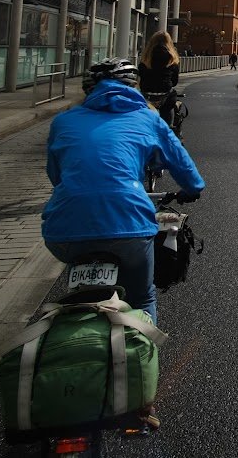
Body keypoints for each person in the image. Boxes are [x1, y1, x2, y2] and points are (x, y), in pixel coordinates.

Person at [42, 58, 205, 326]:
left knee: (78, 273)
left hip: (65, 231)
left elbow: (56, 175)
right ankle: (140, 360)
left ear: (88, 89)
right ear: (134, 86)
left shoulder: (64, 121)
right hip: (128, 228)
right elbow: (183, 165)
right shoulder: (147, 117)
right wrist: (193, 188)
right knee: (142, 298)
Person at [138, 31, 183, 134]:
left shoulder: (146, 57)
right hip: (165, 93)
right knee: (169, 106)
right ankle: (168, 129)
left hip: (147, 93)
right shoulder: (172, 58)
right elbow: (174, 81)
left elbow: (141, 75)